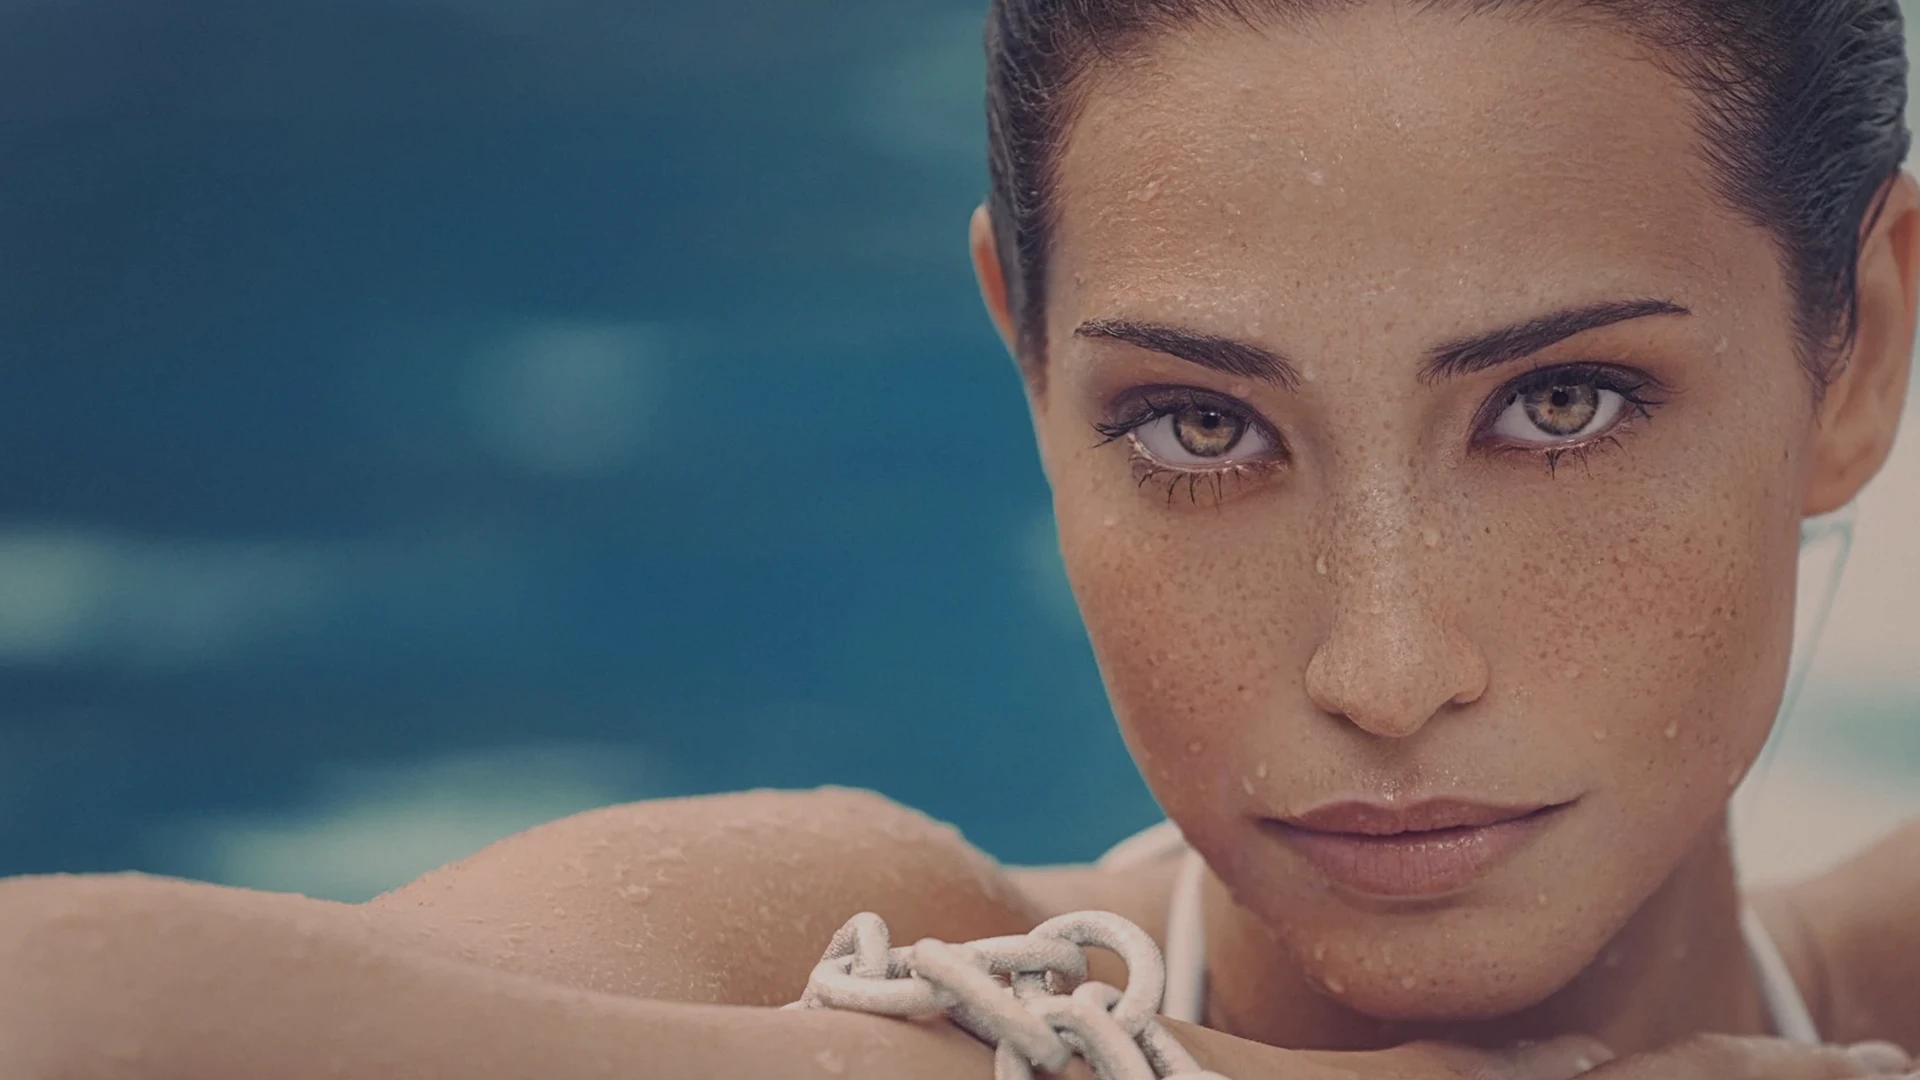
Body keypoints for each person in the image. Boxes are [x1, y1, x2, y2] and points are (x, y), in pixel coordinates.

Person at [4, 1, 1920, 1077]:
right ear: (1024, 355)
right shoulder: (841, 954)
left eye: (1562, 405)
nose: (1387, 668)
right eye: (1201, 426)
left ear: (1861, 350)